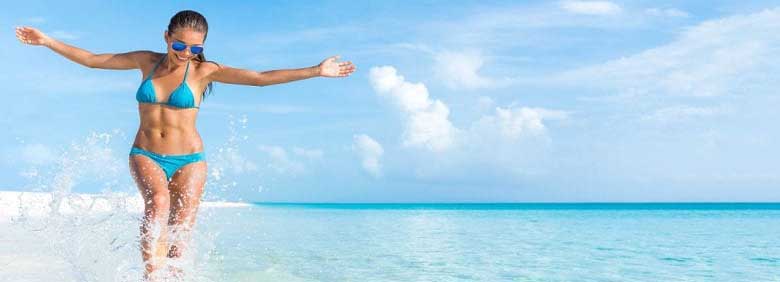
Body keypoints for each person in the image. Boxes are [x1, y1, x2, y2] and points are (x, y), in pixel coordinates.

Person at [15, 9, 356, 280]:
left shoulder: (203, 71)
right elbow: (92, 59)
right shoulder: (145, 61)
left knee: (180, 232)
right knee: (158, 202)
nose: (186, 53)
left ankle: (175, 277)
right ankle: (152, 277)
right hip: (146, 153)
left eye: (195, 48)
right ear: (166, 38)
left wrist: (315, 70)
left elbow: (260, 79)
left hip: (191, 159)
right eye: (179, 46)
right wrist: (48, 41)